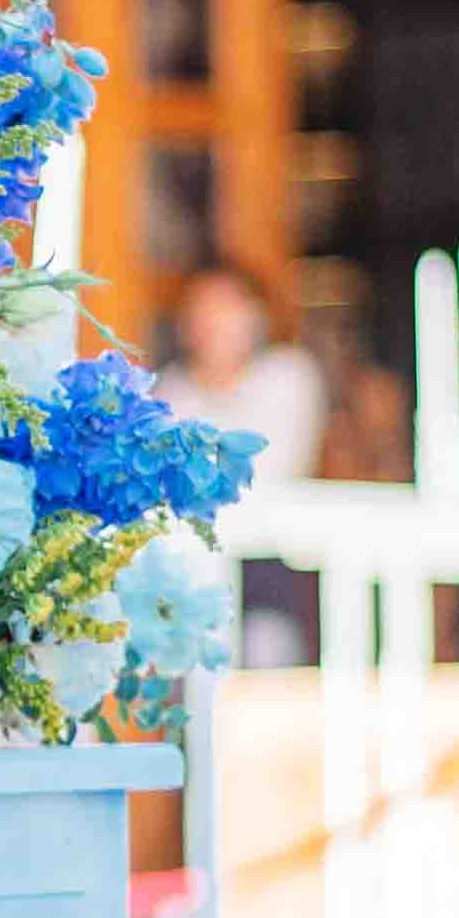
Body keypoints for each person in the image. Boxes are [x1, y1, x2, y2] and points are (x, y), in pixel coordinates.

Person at [161, 256, 326, 666]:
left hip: (269, 565)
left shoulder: (287, 376)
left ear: (257, 316)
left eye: (227, 307)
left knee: (266, 663)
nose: (214, 323)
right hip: (186, 571)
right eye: (202, 310)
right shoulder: (171, 391)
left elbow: (264, 471)